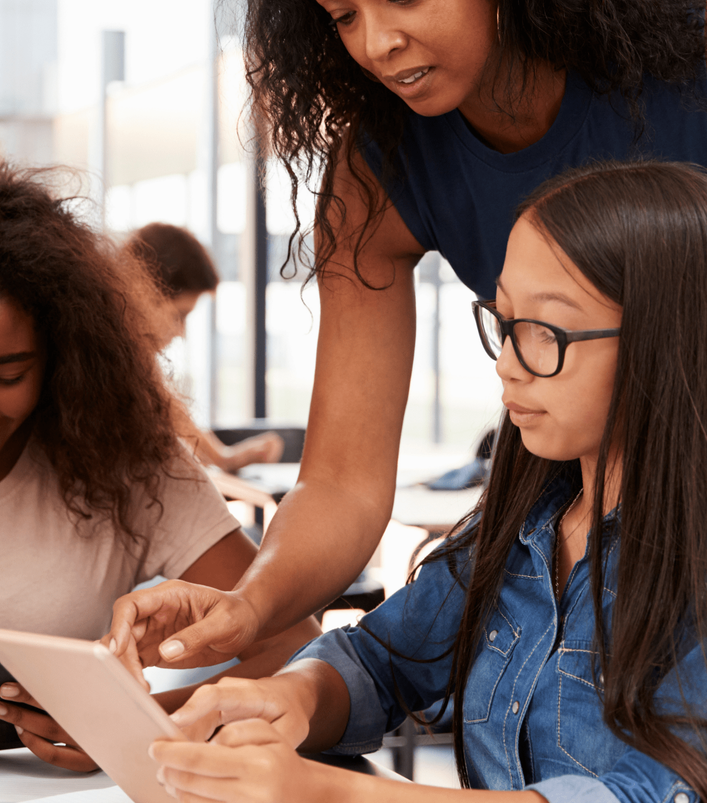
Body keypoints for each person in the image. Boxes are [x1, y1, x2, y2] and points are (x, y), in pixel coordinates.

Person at [106, 0, 707, 675]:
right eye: (341, 14)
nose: (378, 44)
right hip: (600, 528)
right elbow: (344, 481)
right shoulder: (377, 171)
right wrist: (251, 607)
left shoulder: (686, 60)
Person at [149, 158, 707, 803]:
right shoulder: (517, 535)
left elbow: (651, 793)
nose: (506, 365)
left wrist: (332, 793)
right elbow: (377, 661)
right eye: (503, 322)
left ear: (672, 339)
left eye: (543, 331)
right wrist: (285, 698)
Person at [0, 165, 319, 772]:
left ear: (62, 356)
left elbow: (295, 643)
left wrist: (135, 724)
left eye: (8, 375)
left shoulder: (126, 464)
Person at [126, 222, 284, 473]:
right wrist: (224, 458)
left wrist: (225, 458)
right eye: (179, 315)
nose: (181, 333)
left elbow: (166, 404)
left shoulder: (133, 364)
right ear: (142, 293)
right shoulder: (100, 360)